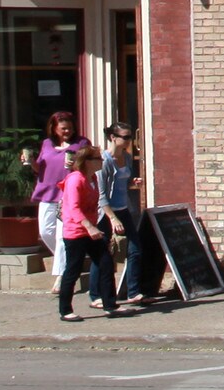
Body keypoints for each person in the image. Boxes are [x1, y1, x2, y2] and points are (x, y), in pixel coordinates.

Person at [56, 141, 118, 322]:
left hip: (92, 231)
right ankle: (65, 310)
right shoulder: (75, 179)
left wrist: (94, 227)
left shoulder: (93, 179)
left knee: (105, 262)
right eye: (98, 159)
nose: (101, 161)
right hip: (76, 232)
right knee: (73, 270)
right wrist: (89, 226)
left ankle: (109, 304)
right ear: (87, 161)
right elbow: (73, 208)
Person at [99, 122, 160, 303]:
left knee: (135, 249)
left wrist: (133, 182)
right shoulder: (105, 162)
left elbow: (123, 185)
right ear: (113, 138)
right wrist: (112, 218)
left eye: (130, 137)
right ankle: (96, 294)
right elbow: (101, 195)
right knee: (102, 254)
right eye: (125, 137)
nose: (128, 141)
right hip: (107, 212)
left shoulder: (125, 158)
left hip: (123, 209)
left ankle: (133, 292)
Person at [21, 110, 75, 292]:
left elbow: (87, 164)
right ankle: (68, 262)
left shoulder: (81, 143)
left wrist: (75, 164)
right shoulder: (46, 144)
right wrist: (29, 162)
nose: (67, 131)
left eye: (69, 127)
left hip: (67, 194)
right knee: (45, 232)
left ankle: (61, 277)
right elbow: (40, 168)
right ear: (54, 128)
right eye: (63, 128)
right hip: (46, 193)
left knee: (61, 237)